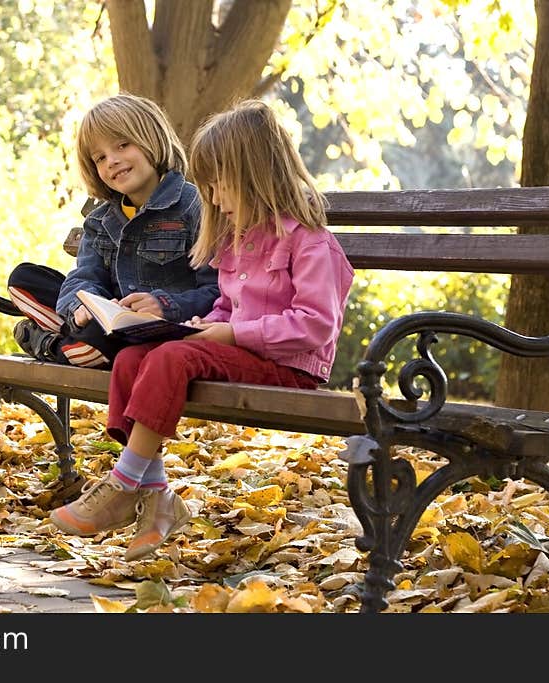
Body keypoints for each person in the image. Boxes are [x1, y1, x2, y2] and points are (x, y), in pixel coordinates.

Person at [49, 99, 355, 561]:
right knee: (134, 357)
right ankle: (158, 500)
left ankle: (122, 484)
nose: (211, 198)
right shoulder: (239, 241)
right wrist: (201, 326)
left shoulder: (311, 243)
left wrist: (230, 335)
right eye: (207, 187)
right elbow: (224, 306)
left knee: (172, 357)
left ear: (255, 176)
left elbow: (316, 326)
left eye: (219, 186)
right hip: (242, 355)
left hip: (289, 367)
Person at [7, 93, 219, 369]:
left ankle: (51, 345)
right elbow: (82, 278)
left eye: (122, 145)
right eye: (100, 158)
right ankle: (77, 342)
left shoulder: (195, 208)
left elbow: (217, 291)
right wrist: (81, 308)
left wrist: (163, 305)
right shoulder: (100, 221)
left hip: (165, 335)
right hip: (108, 325)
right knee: (25, 278)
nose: (112, 161)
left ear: (152, 139)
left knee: (99, 341)